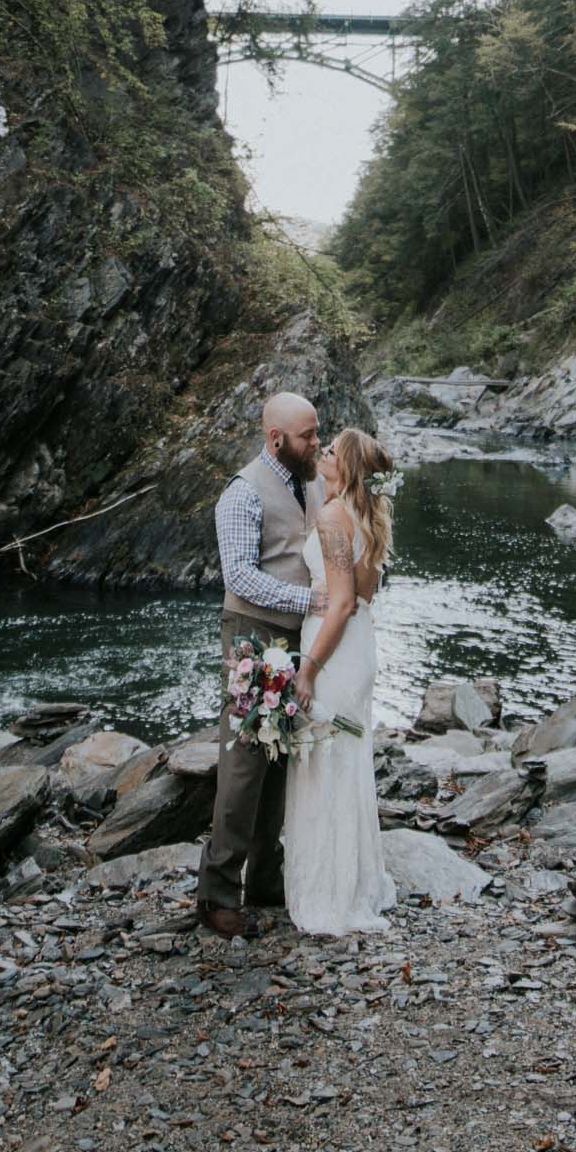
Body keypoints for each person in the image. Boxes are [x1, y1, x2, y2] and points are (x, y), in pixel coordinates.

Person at [195, 392, 323, 939]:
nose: (318, 443)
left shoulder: (314, 480)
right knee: (246, 763)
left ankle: (268, 881)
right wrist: (311, 601)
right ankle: (217, 895)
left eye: (318, 432)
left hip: (300, 639)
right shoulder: (242, 493)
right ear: (277, 439)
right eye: (309, 436)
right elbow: (240, 577)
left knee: (283, 758)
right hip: (254, 638)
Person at [283, 426, 398, 935]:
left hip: (333, 647)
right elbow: (365, 595)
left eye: (330, 450)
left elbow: (344, 601)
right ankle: (355, 882)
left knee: (323, 762)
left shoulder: (333, 517)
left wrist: (307, 669)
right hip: (358, 648)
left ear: (345, 465)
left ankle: (330, 894)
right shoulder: (367, 512)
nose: (323, 453)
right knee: (345, 760)